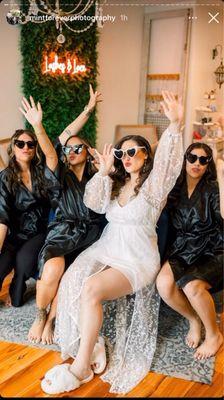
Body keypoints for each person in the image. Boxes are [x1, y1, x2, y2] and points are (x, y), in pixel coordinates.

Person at [40, 91, 184, 395]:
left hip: (137, 258)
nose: (127, 157)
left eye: (134, 152)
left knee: (91, 289)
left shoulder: (153, 188)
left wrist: (176, 125)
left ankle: (80, 369)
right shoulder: (115, 185)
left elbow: (170, 164)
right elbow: (94, 203)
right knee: (73, 279)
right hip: (108, 247)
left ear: (146, 156)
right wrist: (104, 171)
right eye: (122, 153)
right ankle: (90, 346)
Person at [27, 85, 107, 345]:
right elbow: (55, 147)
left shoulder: (99, 175)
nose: (71, 152)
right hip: (63, 231)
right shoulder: (59, 174)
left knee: (73, 274)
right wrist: (38, 127)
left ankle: (52, 319)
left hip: (92, 235)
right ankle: (40, 316)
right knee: (52, 268)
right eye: (68, 150)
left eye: (77, 149)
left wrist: (105, 170)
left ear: (88, 151)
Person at [156, 142, 224, 360]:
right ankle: (193, 318)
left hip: (213, 248)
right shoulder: (174, 186)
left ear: (208, 165)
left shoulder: (213, 187)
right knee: (164, 285)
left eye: (203, 160)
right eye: (192, 158)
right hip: (183, 247)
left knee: (192, 287)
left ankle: (214, 335)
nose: (197, 163)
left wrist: (222, 175)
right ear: (185, 159)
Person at [0, 97, 58, 307]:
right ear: (13, 148)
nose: (26, 147)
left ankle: (17, 286)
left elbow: (52, 156)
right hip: (12, 235)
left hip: (38, 232)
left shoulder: (42, 172)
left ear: (34, 150)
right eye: (20, 144)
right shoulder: (5, 177)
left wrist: (37, 125)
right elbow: (2, 216)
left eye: (30, 144)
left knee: (23, 266)